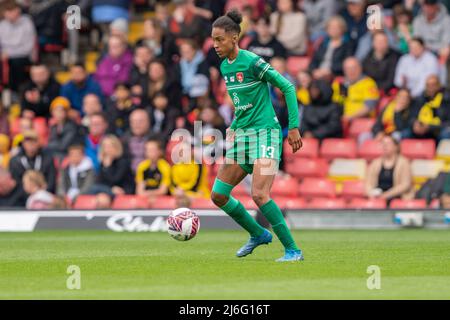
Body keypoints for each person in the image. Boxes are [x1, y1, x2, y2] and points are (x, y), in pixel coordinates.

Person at [210, 10, 304, 262]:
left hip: (265, 133)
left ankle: (293, 250)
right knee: (218, 194)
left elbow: (287, 86)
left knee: (259, 195)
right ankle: (258, 234)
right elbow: (243, 103)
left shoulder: (253, 61)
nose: (215, 45)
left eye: (220, 39)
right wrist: (234, 124)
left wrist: (293, 127)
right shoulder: (224, 66)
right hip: (243, 135)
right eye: (213, 40)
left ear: (234, 37)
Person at [9, 130, 57, 207]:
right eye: (27, 141)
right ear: (23, 144)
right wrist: (29, 194)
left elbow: (51, 181)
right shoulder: (15, 161)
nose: (31, 144)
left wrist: (39, 193)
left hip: (44, 196)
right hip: (21, 199)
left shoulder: (47, 159)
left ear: (38, 143)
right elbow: (16, 183)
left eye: (33, 141)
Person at [0, 0, 36, 92]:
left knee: (16, 63)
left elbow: (28, 48)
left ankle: (16, 91)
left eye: (12, 10)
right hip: (5, 56)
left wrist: (8, 54)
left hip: (23, 57)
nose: (10, 14)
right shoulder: (2, 25)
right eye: (8, 11)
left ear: (18, 11)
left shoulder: (27, 22)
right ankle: (4, 92)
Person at [365, 135, 414, 202]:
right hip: (378, 198)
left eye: (388, 144)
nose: (385, 146)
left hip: (398, 198)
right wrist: (371, 194)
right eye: (383, 144)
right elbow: (368, 183)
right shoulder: (375, 163)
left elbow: (405, 185)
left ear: (396, 146)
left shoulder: (404, 163)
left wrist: (386, 195)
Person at [332, 57, 380, 121]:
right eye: (348, 68)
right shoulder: (341, 84)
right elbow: (337, 103)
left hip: (361, 120)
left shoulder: (368, 83)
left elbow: (369, 106)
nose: (351, 71)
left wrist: (350, 117)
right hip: (342, 120)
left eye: (354, 68)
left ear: (360, 68)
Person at [308, 15, 353, 80]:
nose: (333, 30)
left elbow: (346, 63)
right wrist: (314, 71)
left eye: (336, 27)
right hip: (319, 73)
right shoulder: (322, 43)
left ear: (342, 29)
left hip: (334, 75)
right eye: (330, 27)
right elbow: (314, 61)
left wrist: (329, 71)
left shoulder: (347, 44)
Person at [410, 74, 450, 140]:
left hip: (439, 129)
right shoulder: (420, 99)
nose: (430, 88)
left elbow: (448, 122)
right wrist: (415, 123)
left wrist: (430, 127)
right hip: (422, 128)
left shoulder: (446, 99)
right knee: (406, 133)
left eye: (433, 85)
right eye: (428, 85)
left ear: (439, 85)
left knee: (446, 134)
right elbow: (412, 116)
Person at [122, 109, 159, 173]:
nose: (137, 125)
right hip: (128, 176)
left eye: (140, 121)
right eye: (134, 121)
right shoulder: (124, 139)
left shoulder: (156, 138)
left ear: (148, 122)